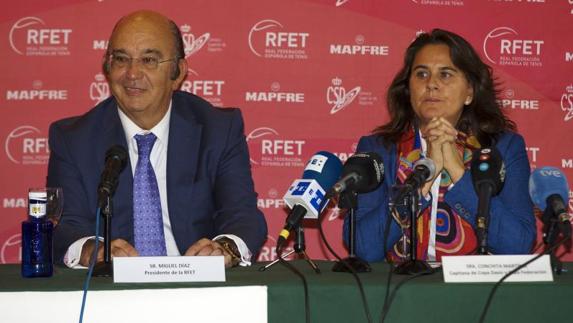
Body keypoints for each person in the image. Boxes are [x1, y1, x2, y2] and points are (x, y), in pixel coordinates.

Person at [47, 10, 267, 268]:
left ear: (178, 73)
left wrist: (225, 249)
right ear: (107, 68)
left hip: (196, 287)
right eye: (121, 59)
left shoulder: (218, 129)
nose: (132, 73)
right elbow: (63, 225)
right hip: (113, 292)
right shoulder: (74, 139)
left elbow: (242, 214)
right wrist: (90, 249)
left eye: (149, 60)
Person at [344, 29, 536, 263]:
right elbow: (363, 247)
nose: (432, 84)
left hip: (477, 290)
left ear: (469, 92)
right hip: (400, 291)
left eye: (445, 75)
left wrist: (458, 173)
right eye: (421, 74)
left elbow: (518, 245)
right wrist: (425, 175)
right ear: (409, 89)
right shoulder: (379, 150)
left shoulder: (504, 149)